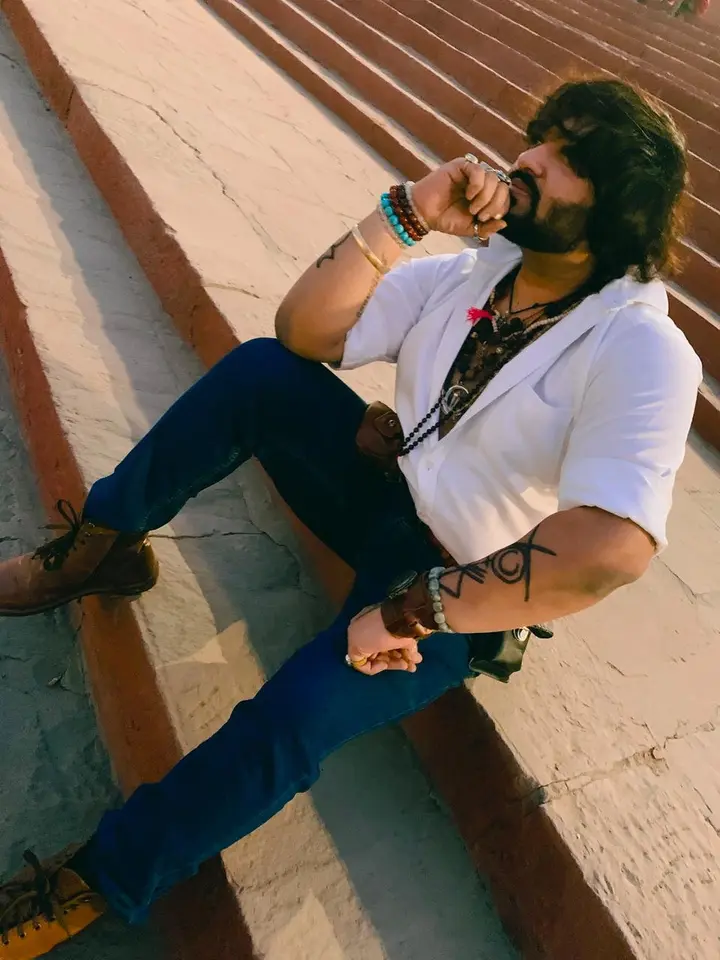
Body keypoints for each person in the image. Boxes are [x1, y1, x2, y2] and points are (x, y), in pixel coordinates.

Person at [0, 78, 702, 957]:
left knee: (294, 715)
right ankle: (100, 547)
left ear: (623, 211)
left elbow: (610, 550)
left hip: (454, 588)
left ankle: (96, 882)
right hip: (382, 491)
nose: (529, 160)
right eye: (540, 138)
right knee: (262, 371)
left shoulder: (641, 347)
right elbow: (304, 331)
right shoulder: (477, 272)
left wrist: (414, 610)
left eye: (570, 160)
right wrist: (407, 214)